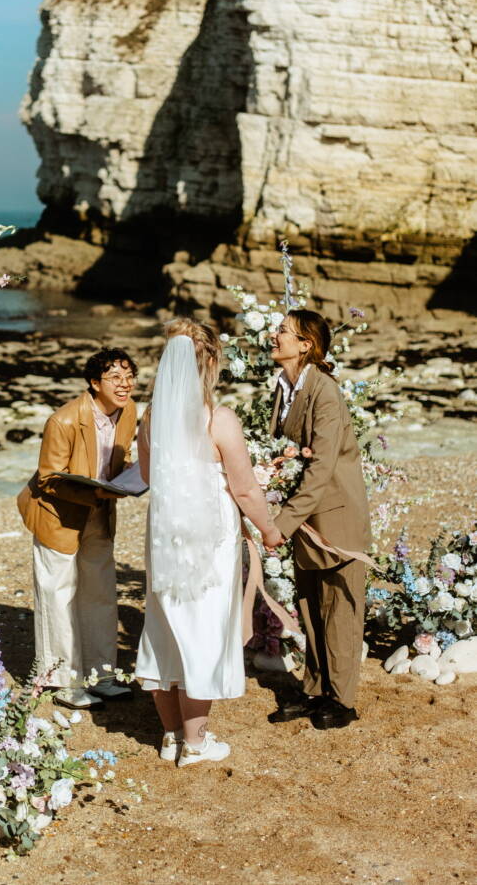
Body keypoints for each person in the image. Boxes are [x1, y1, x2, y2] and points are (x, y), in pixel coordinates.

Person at [134, 319, 282, 767]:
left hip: (164, 537)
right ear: (211, 362)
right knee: (202, 630)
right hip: (208, 542)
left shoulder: (150, 418)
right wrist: (271, 531)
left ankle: (171, 735)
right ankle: (196, 745)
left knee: (164, 629)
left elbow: (145, 478)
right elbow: (245, 489)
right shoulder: (219, 420)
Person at [17, 347, 138, 710]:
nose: (125, 384)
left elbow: (122, 455)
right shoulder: (63, 421)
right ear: (94, 382)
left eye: (129, 376)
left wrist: (129, 477)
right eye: (115, 377)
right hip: (57, 516)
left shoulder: (129, 410)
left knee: (100, 592)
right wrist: (98, 489)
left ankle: (101, 677)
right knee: (59, 596)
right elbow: (49, 478)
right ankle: (65, 683)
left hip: (100, 511)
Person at [269, 309, 371, 731]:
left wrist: (280, 522)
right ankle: (313, 689)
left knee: (340, 611)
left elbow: (321, 466)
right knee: (309, 607)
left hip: (335, 519)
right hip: (306, 517)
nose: (273, 336)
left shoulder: (324, 392)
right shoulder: (285, 387)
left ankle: (342, 700)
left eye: (282, 332)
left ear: (306, 344)